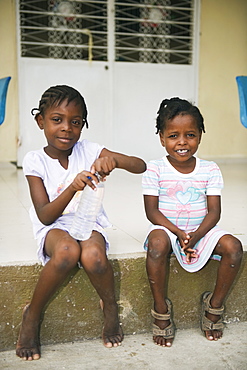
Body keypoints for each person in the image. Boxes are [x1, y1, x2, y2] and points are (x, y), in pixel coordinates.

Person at [16, 85, 146, 361]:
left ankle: (109, 306)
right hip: (53, 226)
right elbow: (45, 215)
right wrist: (73, 187)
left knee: (95, 256)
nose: (66, 128)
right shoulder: (34, 160)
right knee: (66, 252)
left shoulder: (90, 150)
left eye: (75, 122)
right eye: (57, 120)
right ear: (41, 121)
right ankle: (32, 315)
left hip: (88, 220)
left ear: (83, 126)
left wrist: (113, 160)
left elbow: (140, 165)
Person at [142, 97, 243, 347]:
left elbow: (214, 213)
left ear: (200, 135)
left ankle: (214, 306)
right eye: (174, 135)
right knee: (156, 244)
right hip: (167, 229)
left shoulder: (209, 169)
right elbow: (152, 212)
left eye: (190, 135)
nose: (182, 142)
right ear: (162, 138)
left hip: (202, 230)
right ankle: (161, 310)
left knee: (234, 247)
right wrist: (177, 232)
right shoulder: (154, 169)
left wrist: (196, 236)